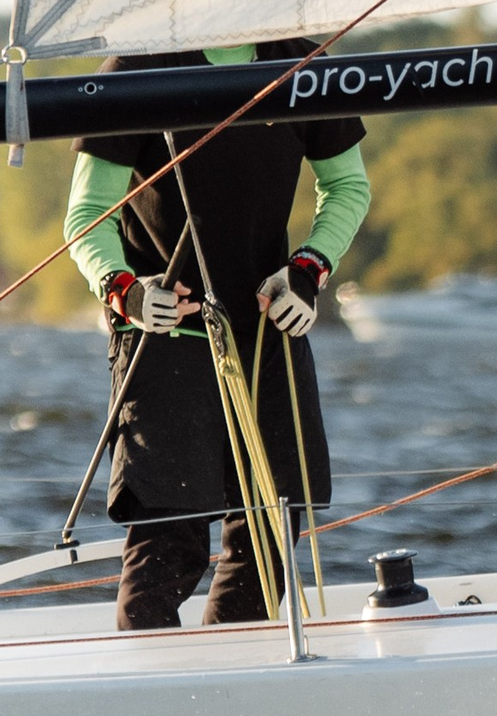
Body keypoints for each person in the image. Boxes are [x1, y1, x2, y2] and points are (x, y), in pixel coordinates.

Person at [64, 39, 371, 630]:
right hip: (165, 338)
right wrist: (123, 289)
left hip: (269, 332)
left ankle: (226, 689)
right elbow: (87, 215)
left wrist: (309, 268)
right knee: (169, 546)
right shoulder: (134, 70)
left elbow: (348, 187)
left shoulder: (303, 63)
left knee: (269, 537)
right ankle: (151, 692)